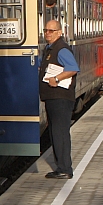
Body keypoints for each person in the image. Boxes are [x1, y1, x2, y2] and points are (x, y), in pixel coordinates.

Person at [40, 20, 79, 180]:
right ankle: (61, 167)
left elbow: (73, 68)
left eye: (51, 31)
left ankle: (65, 168)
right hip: (53, 97)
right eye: (46, 30)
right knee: (55, 132)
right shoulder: (50, 48)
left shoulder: (61, 49)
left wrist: (56, 78)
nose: (47, 33)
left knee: (60, 132)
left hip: (60, 98)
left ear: (59, 32)